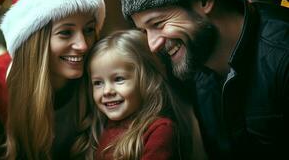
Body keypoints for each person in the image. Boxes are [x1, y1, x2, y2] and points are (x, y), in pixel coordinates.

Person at [121, 0, 289, 159]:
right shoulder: (191, 60)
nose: (152, 44)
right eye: (144, 31)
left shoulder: (282, 54)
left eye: (158, 23)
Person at [0, 0, 105, 160]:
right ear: (35, 41)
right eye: (66, 32)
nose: (83, 45)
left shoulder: (101, 70)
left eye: (89, 29)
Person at [71, 30, 207, 160]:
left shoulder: (160, 131)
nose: (107, 91)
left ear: (147, 80)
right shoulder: (100, 127)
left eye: (118, 79)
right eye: (98, 83)